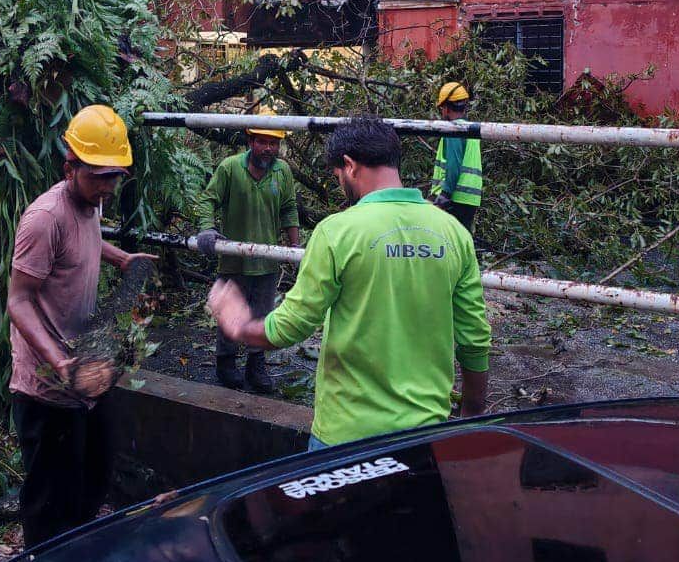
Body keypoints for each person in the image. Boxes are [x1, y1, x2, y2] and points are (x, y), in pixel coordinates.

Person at [208, 116, 491, 450]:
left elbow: (291, 327)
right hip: (424, 434)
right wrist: (472, 412)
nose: (341, 184)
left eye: (338, 175)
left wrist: (240, 326)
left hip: (344, 436)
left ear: (350, 165)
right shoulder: (454, 233)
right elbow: (474, 338)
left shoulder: (336, 232)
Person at [6, 104, 157, 548]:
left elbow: (84, 241)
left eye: (115, 176)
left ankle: (78, 558)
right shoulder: (44, 218)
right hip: (47, 387)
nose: (108, 186)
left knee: (93, 478)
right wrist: (59, 362)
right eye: (99, 176)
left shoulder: (90, 203)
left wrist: (122, 258)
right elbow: (17, 301)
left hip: (87, 373)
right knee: (49, 502)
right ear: (69, 165)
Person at [195, 124, 301, 392]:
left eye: (273, 143)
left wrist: (294, 248)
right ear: (250, 141)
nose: (268, 148)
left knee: (263, 313)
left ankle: (256, 364)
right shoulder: (230, 168)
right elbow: (208, 199)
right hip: (234, 258)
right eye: (262, 142)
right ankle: (226, 362)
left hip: (267, 259)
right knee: (229, 313)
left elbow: (289, 208)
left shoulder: (282, 171)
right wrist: (207, 229)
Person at [429, 82, 483, 231]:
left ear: (446, 108)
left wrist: (444, 196)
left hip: (454, 199)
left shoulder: (453, 129)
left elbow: (454, 164)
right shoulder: (471, 130)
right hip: (469, 199)